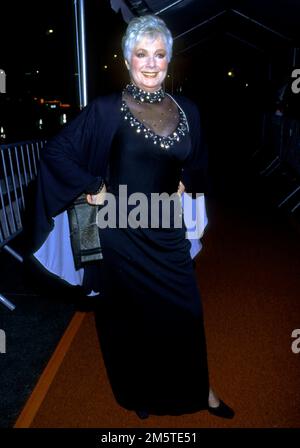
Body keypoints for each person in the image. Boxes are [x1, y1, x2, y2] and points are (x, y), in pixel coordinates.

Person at [33, 14, 234, 419]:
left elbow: (198, 164)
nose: (150, 63)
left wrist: (184, 182)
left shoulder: (189, 110)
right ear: (127, 59)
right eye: (141, 54)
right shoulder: (106, 110)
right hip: (117, 231)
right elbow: (57, 152)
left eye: (159, 55)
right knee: (129, 321)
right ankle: (139, 393)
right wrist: (93, 185)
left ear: (169, 60)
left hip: (164, 227)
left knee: (185, 313)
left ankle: (200, 389)